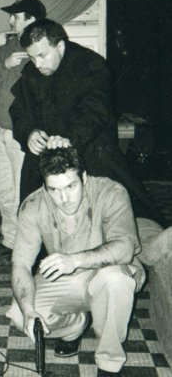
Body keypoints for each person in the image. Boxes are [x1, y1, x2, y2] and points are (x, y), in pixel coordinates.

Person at [8, 146, 159, 377]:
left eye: (71, 186)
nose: (64, 199)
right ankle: (75, 325)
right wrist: (29, 312)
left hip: (110, 270)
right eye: (54, 190)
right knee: (19, 313)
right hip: (68, 275)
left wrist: (75, 260)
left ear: (84, 178)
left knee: (114, 279)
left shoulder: (111, 192)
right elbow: (20, 264)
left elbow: (124, 248)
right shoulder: (33, 205)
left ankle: (109, 364)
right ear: (45, 187)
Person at [9, 18, 168, 228]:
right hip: (45, 158)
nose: (37, 64)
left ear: (60, 46)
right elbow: (18, 110)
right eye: (32, 57)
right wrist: (29, 132)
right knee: (39, 221)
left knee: (114, 217)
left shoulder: (91, 66)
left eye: (42, 55)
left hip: (91, 154)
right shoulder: (32, 71)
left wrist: (68, 140)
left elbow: (94, 112)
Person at [0, 0, 47, 259]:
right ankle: (10, 241)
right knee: (2, 190)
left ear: (32, 19)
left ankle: (29, 245)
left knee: (25, 191)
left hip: (26, 134)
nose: (10, 21)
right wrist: (5, 64)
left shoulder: (44, 46)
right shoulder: (5, 46)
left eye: (16, 16)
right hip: (1, 129)